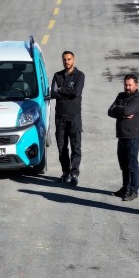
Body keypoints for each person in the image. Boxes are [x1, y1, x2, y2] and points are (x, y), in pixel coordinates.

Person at [51, 51, 85, 186]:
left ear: (73, 60)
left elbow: (76, 92)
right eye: (64, 60)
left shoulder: (79, 75)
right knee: (62, 147)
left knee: (76, 146)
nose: (67, 62)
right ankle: (66, 172)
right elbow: (53, 93)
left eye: (69, 59)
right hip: (60, 118)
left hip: (74, 116)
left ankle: (74, 174)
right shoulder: (57, 75)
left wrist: (61, 90)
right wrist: (64, 92)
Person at [107, 74, 139, 201]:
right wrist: (121, 110)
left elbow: (127, 111)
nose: (127, 87)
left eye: (130, 85)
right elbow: (110, 111)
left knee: (132, 164)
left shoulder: (138, 99)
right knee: (123, 163)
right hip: (121, 135)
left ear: (136, 85)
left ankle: (133, 190)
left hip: (132, 136)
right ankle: (125, 187)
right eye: (126, 85)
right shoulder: (121, 96)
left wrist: (120, 110)